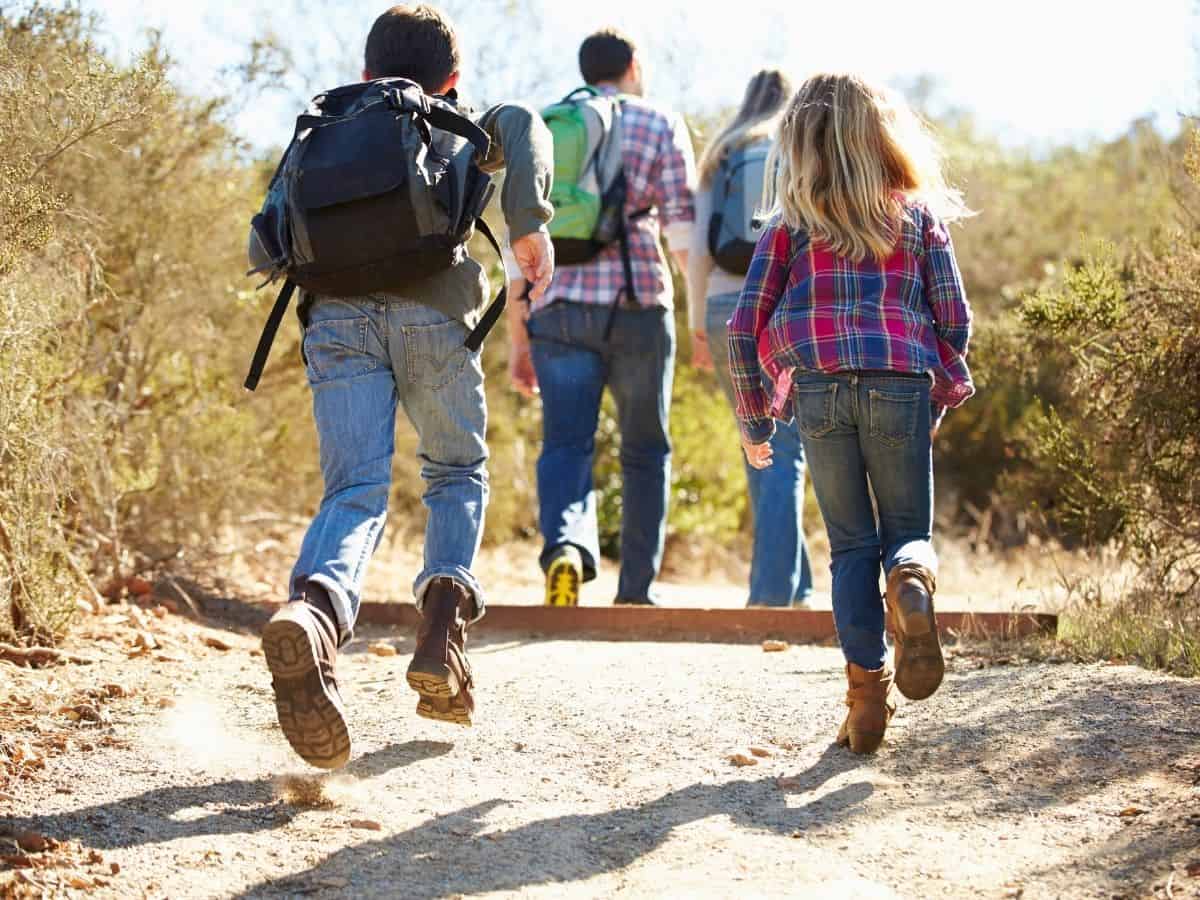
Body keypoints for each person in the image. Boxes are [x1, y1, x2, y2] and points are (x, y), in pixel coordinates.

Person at [261, 3, 554, 769]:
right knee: (456, 470)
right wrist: (529, 224)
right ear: (452, 77)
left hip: (336, 323)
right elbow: (521, 120)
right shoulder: (446, 123)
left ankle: (315, 612)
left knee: (353, 491)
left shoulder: (325, 126)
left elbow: (265, 239)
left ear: (365, 71)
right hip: (433, 314)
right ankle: (440, 633)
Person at [728, 73, 973, 754]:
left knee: (850, 549)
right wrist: (938, 397)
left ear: (800, 144)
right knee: (904, 532)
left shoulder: (789, 224)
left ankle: (866, 703)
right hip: (900, 386)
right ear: (882, 137)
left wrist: (755, 418)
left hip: (821, 391)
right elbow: (955, 319)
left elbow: (744, 325)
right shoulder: (918, 217)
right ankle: (913, 582)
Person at [506, 28, 695, 607]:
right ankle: (636, 590)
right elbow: (683, 230)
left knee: (565, 444)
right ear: (634, 65)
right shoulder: (658, 121)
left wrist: (519, 336)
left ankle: (565, 549)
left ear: (584, 69)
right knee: (645, 450)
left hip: (557, 304)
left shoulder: (543, 126)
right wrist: (704, 319)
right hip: (638, 305)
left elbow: (520, 239)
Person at [687, 68, 814, 609]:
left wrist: (696, 324)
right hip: (783, 307)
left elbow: (697, 251)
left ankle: (797, 587)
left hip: (721, 305)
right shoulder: (799, 148)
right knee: (783, 450)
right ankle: (770, 597)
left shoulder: (721, 154)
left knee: (758, 446)